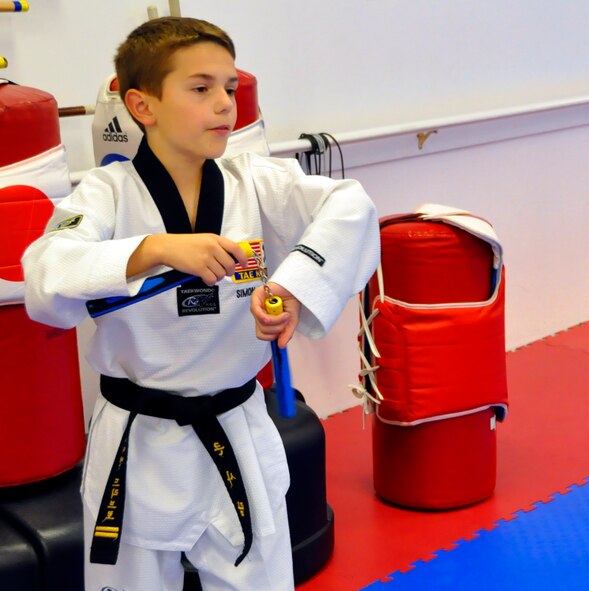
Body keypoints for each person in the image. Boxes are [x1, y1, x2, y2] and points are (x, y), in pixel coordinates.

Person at [22, 16, 379, 590]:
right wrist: (152, 249)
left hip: (236, 427)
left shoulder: (255, 182)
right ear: (143, 105)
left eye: (230, 88)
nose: (224, 105)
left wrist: (287, 291)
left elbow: (350, 207)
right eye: (201, 88)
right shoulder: (106, 194)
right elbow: (45, 275)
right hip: (137, 439)